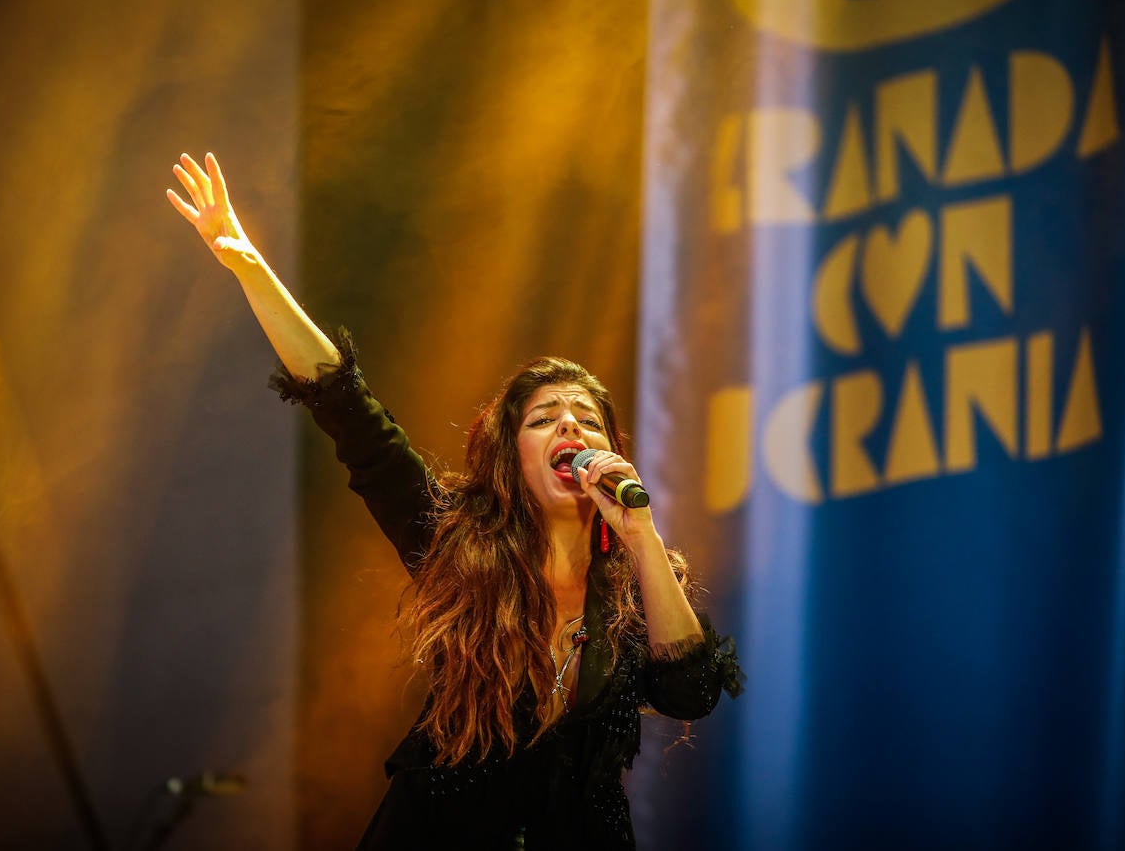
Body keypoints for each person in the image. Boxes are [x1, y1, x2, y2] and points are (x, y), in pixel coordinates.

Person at [166, 152, 742, 849]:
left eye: (587, 419)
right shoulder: (455, 541)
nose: (570, 426)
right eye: (544, 418)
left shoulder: (636, 582)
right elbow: (352, 414)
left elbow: (691, 693)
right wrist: (252, 270)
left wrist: (642, 537)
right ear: (511, 455)